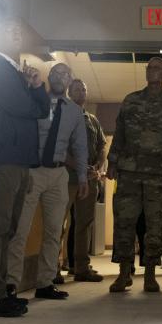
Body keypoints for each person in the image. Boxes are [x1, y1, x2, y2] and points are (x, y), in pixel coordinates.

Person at [0, 18, 51, 318]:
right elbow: (26, 108)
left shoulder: (13, 72)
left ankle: (2, 290)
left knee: (8, 229)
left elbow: (41, 109)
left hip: (16, 161)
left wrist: (35, 85)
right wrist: (28, 88)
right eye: (8, 30)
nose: (17, 34)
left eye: (20, 30)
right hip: (1, 159)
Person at [7, 63, 88, 301]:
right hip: (32, 172)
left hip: (58, 175)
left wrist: (82, 176)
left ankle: (45, 282)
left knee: (54, 231)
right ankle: (10, 283)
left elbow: (80, 146)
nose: (59, 77)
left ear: (70, 80)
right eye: (55, 73)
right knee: (20, 229)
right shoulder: (33, 100)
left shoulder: (74, 111)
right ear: (49, 77)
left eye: (65, 74)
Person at [105, 57, 162, 293]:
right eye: (149, 68)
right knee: (124, 222)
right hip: (129, 172)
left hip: (158, 174)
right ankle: (124, 273)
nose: (152, 72)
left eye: (157, 68)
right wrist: (112, 161)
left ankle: (150, 274)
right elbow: (120, 132)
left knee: (155, 225)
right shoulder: (131, 100)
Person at [63, 78, 107, 282]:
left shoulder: (92, 119)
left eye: (84, 89)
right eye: (77, 89)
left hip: (89, 179)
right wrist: (78, 166)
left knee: (84, 224)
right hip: (68, 177)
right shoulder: (63, 116)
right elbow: (60, 149)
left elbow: (101, 146)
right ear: (70, 92)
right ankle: (53, 271)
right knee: (59, 224)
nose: (81, 92)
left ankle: (81, 268)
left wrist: (98, 166)